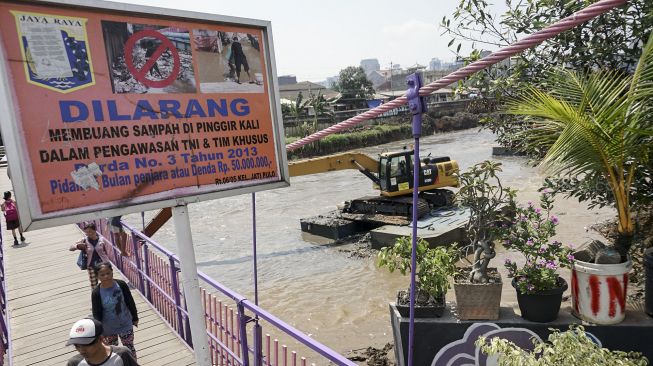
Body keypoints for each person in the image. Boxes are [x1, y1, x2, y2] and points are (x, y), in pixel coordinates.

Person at [92, 262, 139, 358]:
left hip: (125, 323)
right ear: (97, 276)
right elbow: (96, 313)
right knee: (112, 351)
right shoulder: (96, 293)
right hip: (108, 328)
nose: (106, 276)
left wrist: (135, 317)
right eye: (102, 274)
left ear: (112, 272)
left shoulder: (121, 284)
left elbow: (130, 301)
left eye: (108, 273)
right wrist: (99, 331)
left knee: (129, 348)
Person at [66, 318, 139, 366]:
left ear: (100, 339)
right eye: (77, 345)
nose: (81, 350)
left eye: (86, 344)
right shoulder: (74, 363)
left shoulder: (123, 354)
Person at [69, 222, 112, 288]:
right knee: (94, 285)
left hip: (104, 265)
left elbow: (105, 252)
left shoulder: (101, 240)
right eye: (87, 232)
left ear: (95, 230)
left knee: (107, 282)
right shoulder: (84, 240)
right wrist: (77, 246)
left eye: (90, 232)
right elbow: (71, 248)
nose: (89, 234)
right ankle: (96, 297)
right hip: (91, 266)